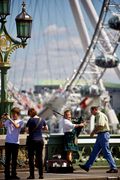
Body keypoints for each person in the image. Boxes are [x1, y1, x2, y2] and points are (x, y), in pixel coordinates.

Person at [79, 106, 118, 173]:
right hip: (101, 135)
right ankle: (87, 166)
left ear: (95, 110)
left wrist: (93, 132)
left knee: (106, 151)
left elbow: (101, 125)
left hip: (103, 135)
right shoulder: (98, 115)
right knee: (94, 151)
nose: (91, 113)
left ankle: (114, 167)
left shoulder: (100, 115)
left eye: (91, 111)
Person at [0, 107, 24, 180]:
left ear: (18, 114)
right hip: (8, 142)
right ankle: (7, 175)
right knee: (7, 160)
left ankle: (14, 174)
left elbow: (17, 126)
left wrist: (9, 118)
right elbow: (1, 126)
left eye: (14, 114)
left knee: (14, 160)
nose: (13, 115)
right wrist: (2, 118)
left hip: (15, 143)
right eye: (12, 114)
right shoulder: (8, 121)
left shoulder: (21, 121)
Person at [26, 108, 48, 179]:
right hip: (40, 140)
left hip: (32, 140)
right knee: (39, 158)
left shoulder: (30, 120)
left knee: (31, 158)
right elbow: (46, 128)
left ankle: (32, 175)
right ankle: (41, 175)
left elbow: (27, 130)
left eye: (29, 114)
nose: (29, 115)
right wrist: (40, 129)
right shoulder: (42, 119)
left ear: (31, 113)